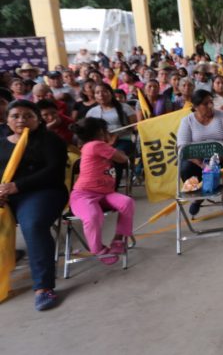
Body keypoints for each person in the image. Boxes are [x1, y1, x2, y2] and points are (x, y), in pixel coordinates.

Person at [0, 100, 68, 311]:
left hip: (43, 192)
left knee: (33, 225)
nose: (21, 120)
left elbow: (54, 172)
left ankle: (43, 287)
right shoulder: (2, 143)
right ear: (7, 119)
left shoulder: (49, 140)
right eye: (16, 116)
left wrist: (17, 186)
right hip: (6, 195)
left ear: (37, 119)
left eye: (28, 115)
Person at [69, 118, 134, 265]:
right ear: (100, 132)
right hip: (83, 195)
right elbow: (123, 158)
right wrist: (111, 144)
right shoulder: (96, 145)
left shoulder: (91, 145)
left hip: (105, 194)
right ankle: (97, 249)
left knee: (127, 202)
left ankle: (119, 238)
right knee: (92, 215)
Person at [176, 90, 223, 216]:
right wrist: (201, 164)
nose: (210, 106)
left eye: (211, 102)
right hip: (198, 159)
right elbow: (182, 147)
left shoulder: (222, 115)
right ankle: (198, 199)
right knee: (185, 168)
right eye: (206, 104)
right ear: (195, 107)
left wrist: (221, 158)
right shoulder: (187, 121)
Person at [86, 83, 137, 189]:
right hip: (100, 144)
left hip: (123, 141)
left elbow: (135, 127)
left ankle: (112, 189)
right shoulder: (92, 112)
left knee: (114, 158)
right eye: (97, 92)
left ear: (111, 93)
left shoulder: (125, 108)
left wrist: (116, 136)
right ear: (94, 95)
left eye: (104, 91)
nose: (101, 95)